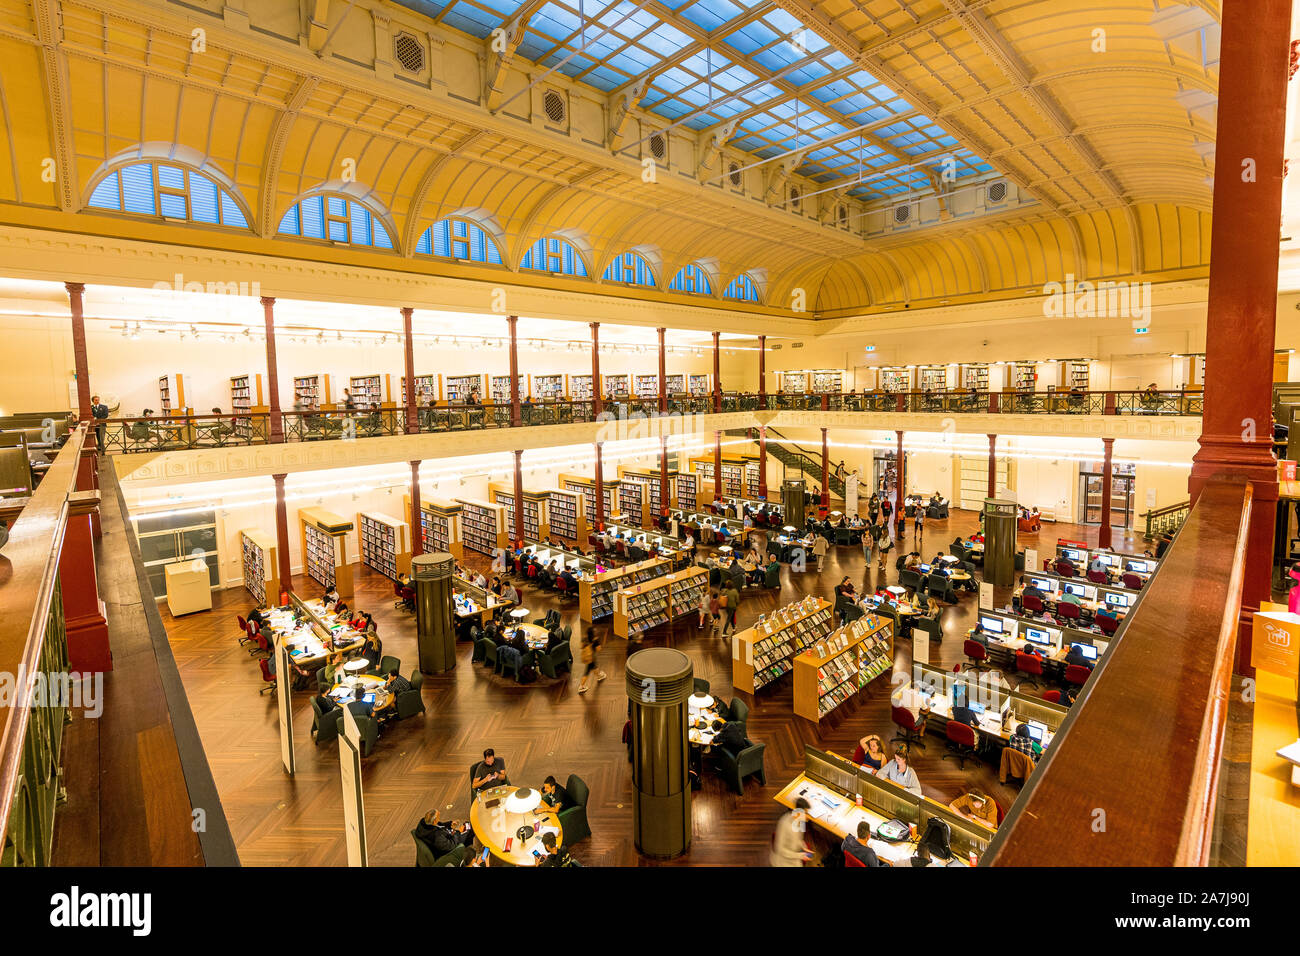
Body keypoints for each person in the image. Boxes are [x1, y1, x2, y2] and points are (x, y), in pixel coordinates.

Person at [770, 798, 812, 867]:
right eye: (806, 813)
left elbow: (799, 839)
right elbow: (780, 850)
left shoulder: (801, 821)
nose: (808, 817)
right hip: (782, 861)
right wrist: (800, 855)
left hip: (794, 856)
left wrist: (804, 847)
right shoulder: (784, 824)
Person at [577, 626, 606, 693]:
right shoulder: (595, 640)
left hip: (586, 656)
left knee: (594, 667)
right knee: (587, 672)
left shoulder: (585, 638)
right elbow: (598, 649)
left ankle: (599, 675)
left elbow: (581, 646)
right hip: (591, 657)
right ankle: (581, 686)